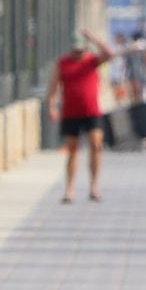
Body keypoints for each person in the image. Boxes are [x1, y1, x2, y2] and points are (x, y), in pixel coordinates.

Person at [46, 29, 113, 203]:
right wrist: (52, 106)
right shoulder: (62, 63)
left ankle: (94, 187)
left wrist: (94, 38)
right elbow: (53, 87)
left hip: (92, 111)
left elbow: (110, 53)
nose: (78, 53)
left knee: (96, 144)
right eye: (75, 50)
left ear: (85, 47)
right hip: (71, 112)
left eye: (81, 49)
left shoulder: (92, 60)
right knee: (72, 150)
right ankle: (69, 189)